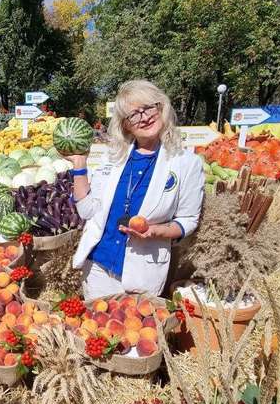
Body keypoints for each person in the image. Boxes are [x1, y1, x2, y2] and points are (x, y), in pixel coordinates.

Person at [69, 80, 204, 300]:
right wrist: (79, 164)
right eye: (134, 114)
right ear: (125, 125)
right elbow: (87, 211)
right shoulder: (113, 156)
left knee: (138, 331)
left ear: (162, 107)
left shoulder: (187, 163)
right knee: (99, 331)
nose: (144, 117)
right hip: (98, 267)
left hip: (144, 272)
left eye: (149, 107)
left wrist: (155, 231)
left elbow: (188, 219)